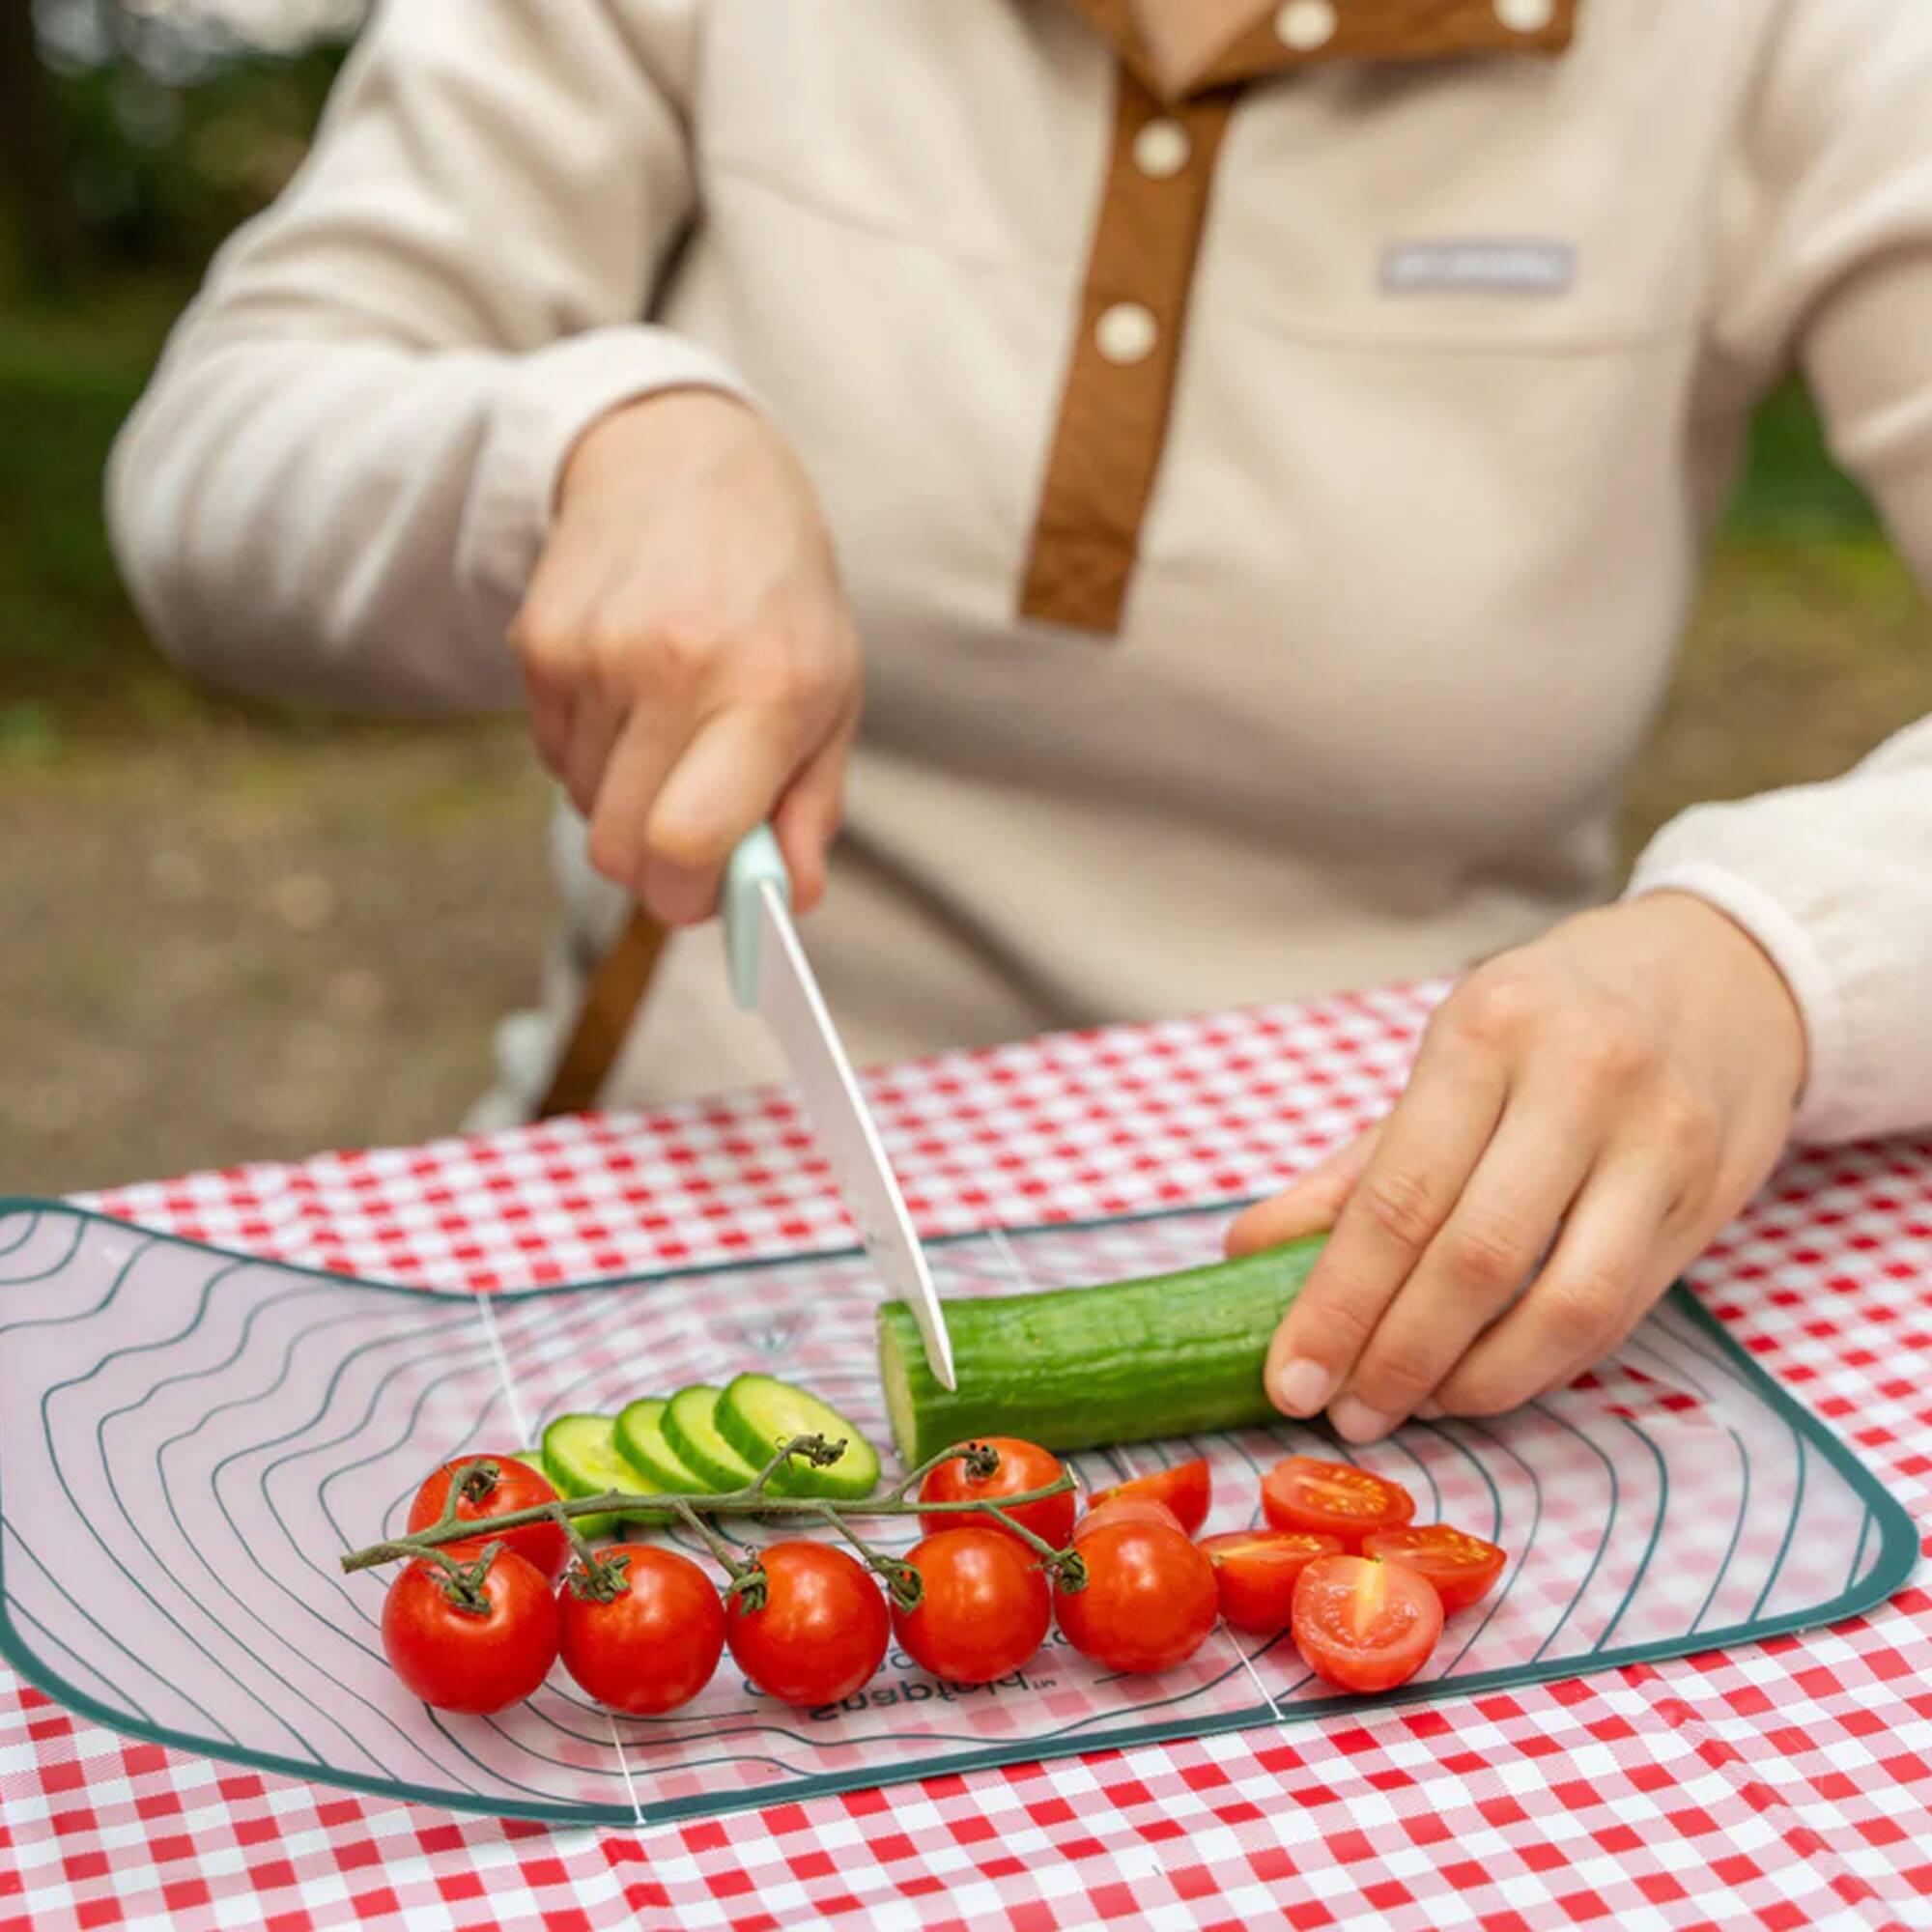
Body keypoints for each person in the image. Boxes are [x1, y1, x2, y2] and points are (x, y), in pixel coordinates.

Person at [108, 0, 1932, 1447]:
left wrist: (1776, 960)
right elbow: (213, 463)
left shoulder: (1789, 33)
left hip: (1413, 1264)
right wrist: (586, 440)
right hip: (686, 1216)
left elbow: (1787, 960)